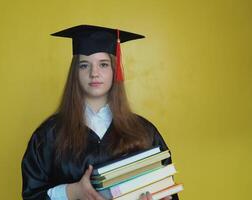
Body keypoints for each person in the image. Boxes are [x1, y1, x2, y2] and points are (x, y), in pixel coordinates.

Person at [21, 25, 179, 200]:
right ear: (75, 73)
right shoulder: (48, 135)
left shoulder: (144, 132)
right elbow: (32, 195)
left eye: (103, 64)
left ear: (114, 70)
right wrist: (72, 192)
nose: (94, 73)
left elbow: (167, 189)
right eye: (84, 65)